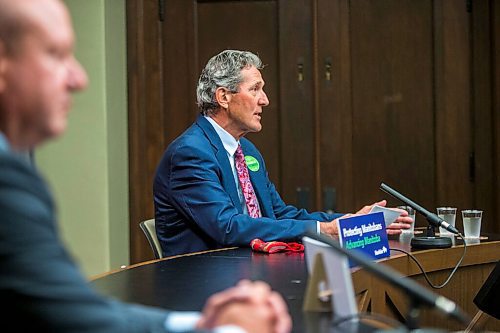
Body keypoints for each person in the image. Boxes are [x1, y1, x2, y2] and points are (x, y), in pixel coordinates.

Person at [0, 1, 291, 332]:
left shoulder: (14, 170)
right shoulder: (7, 178)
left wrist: (200, 325)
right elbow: (66, 311)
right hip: (203, 287)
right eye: (55, 54)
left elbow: (64, 304)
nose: (79, 78)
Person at [153, 50, 413, 257]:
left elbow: (279, 215)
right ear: (223, 97)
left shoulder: (247, 151)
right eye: (254, 89)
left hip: (251, 273)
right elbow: (228, 227)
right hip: (206, 286)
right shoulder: (190, 153)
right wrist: (325, 230)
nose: (264, 100)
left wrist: (347, 222)